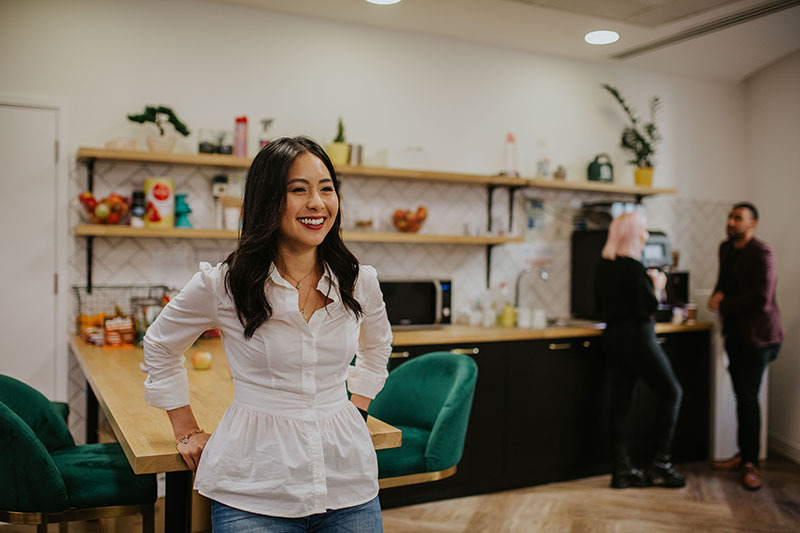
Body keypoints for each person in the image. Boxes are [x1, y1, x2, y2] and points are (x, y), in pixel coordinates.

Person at [143, 136, 393, 531]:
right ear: (267, 201)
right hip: (253, 488)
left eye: (326, 189)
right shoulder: (224, 283)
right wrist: (185, 428)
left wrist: (357, 406)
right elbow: (159, 344)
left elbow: (378, 346)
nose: (317, 203)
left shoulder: (358, 281)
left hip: (347, 484)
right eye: (299, 190)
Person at [595, 212, 685, 489]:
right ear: (631, 234)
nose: (646, 236)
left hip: (614, 338)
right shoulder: (634, 268)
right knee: (672, 392)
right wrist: (657, 286)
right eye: (643, 230)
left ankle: (622, 470)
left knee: (621, 403)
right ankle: (661, 463)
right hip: (638, 339)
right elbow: (647, 308)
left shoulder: (604, 265)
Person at [708, 202, 783, 491]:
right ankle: (743, 456)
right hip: (737, 335)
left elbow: (761, 297)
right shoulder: (726, 249)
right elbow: (724, 283)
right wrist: (717, 296)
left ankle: (751, 463)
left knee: (748, 398)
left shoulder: (762, 253)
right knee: (743, 396)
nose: (731, 222)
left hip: (761, 337)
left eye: (737, 218)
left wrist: (723, 304)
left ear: (752, 224)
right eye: (729, 216)